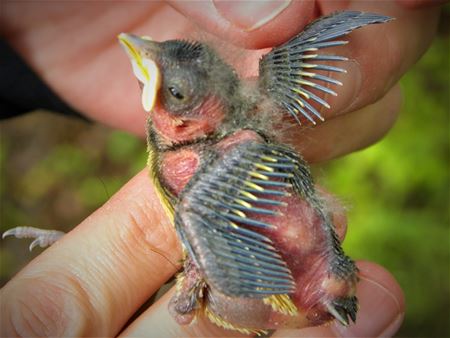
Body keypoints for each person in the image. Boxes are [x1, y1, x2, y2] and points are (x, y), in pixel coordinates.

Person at [0, 1, 445, 337]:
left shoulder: (215, 159)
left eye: (175, 92)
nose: (146, 51)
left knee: (197, 226)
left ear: (182, 120)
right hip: (303, 277)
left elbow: (206, 230)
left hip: (295, 287)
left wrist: (193, 281)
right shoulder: (235, 132)